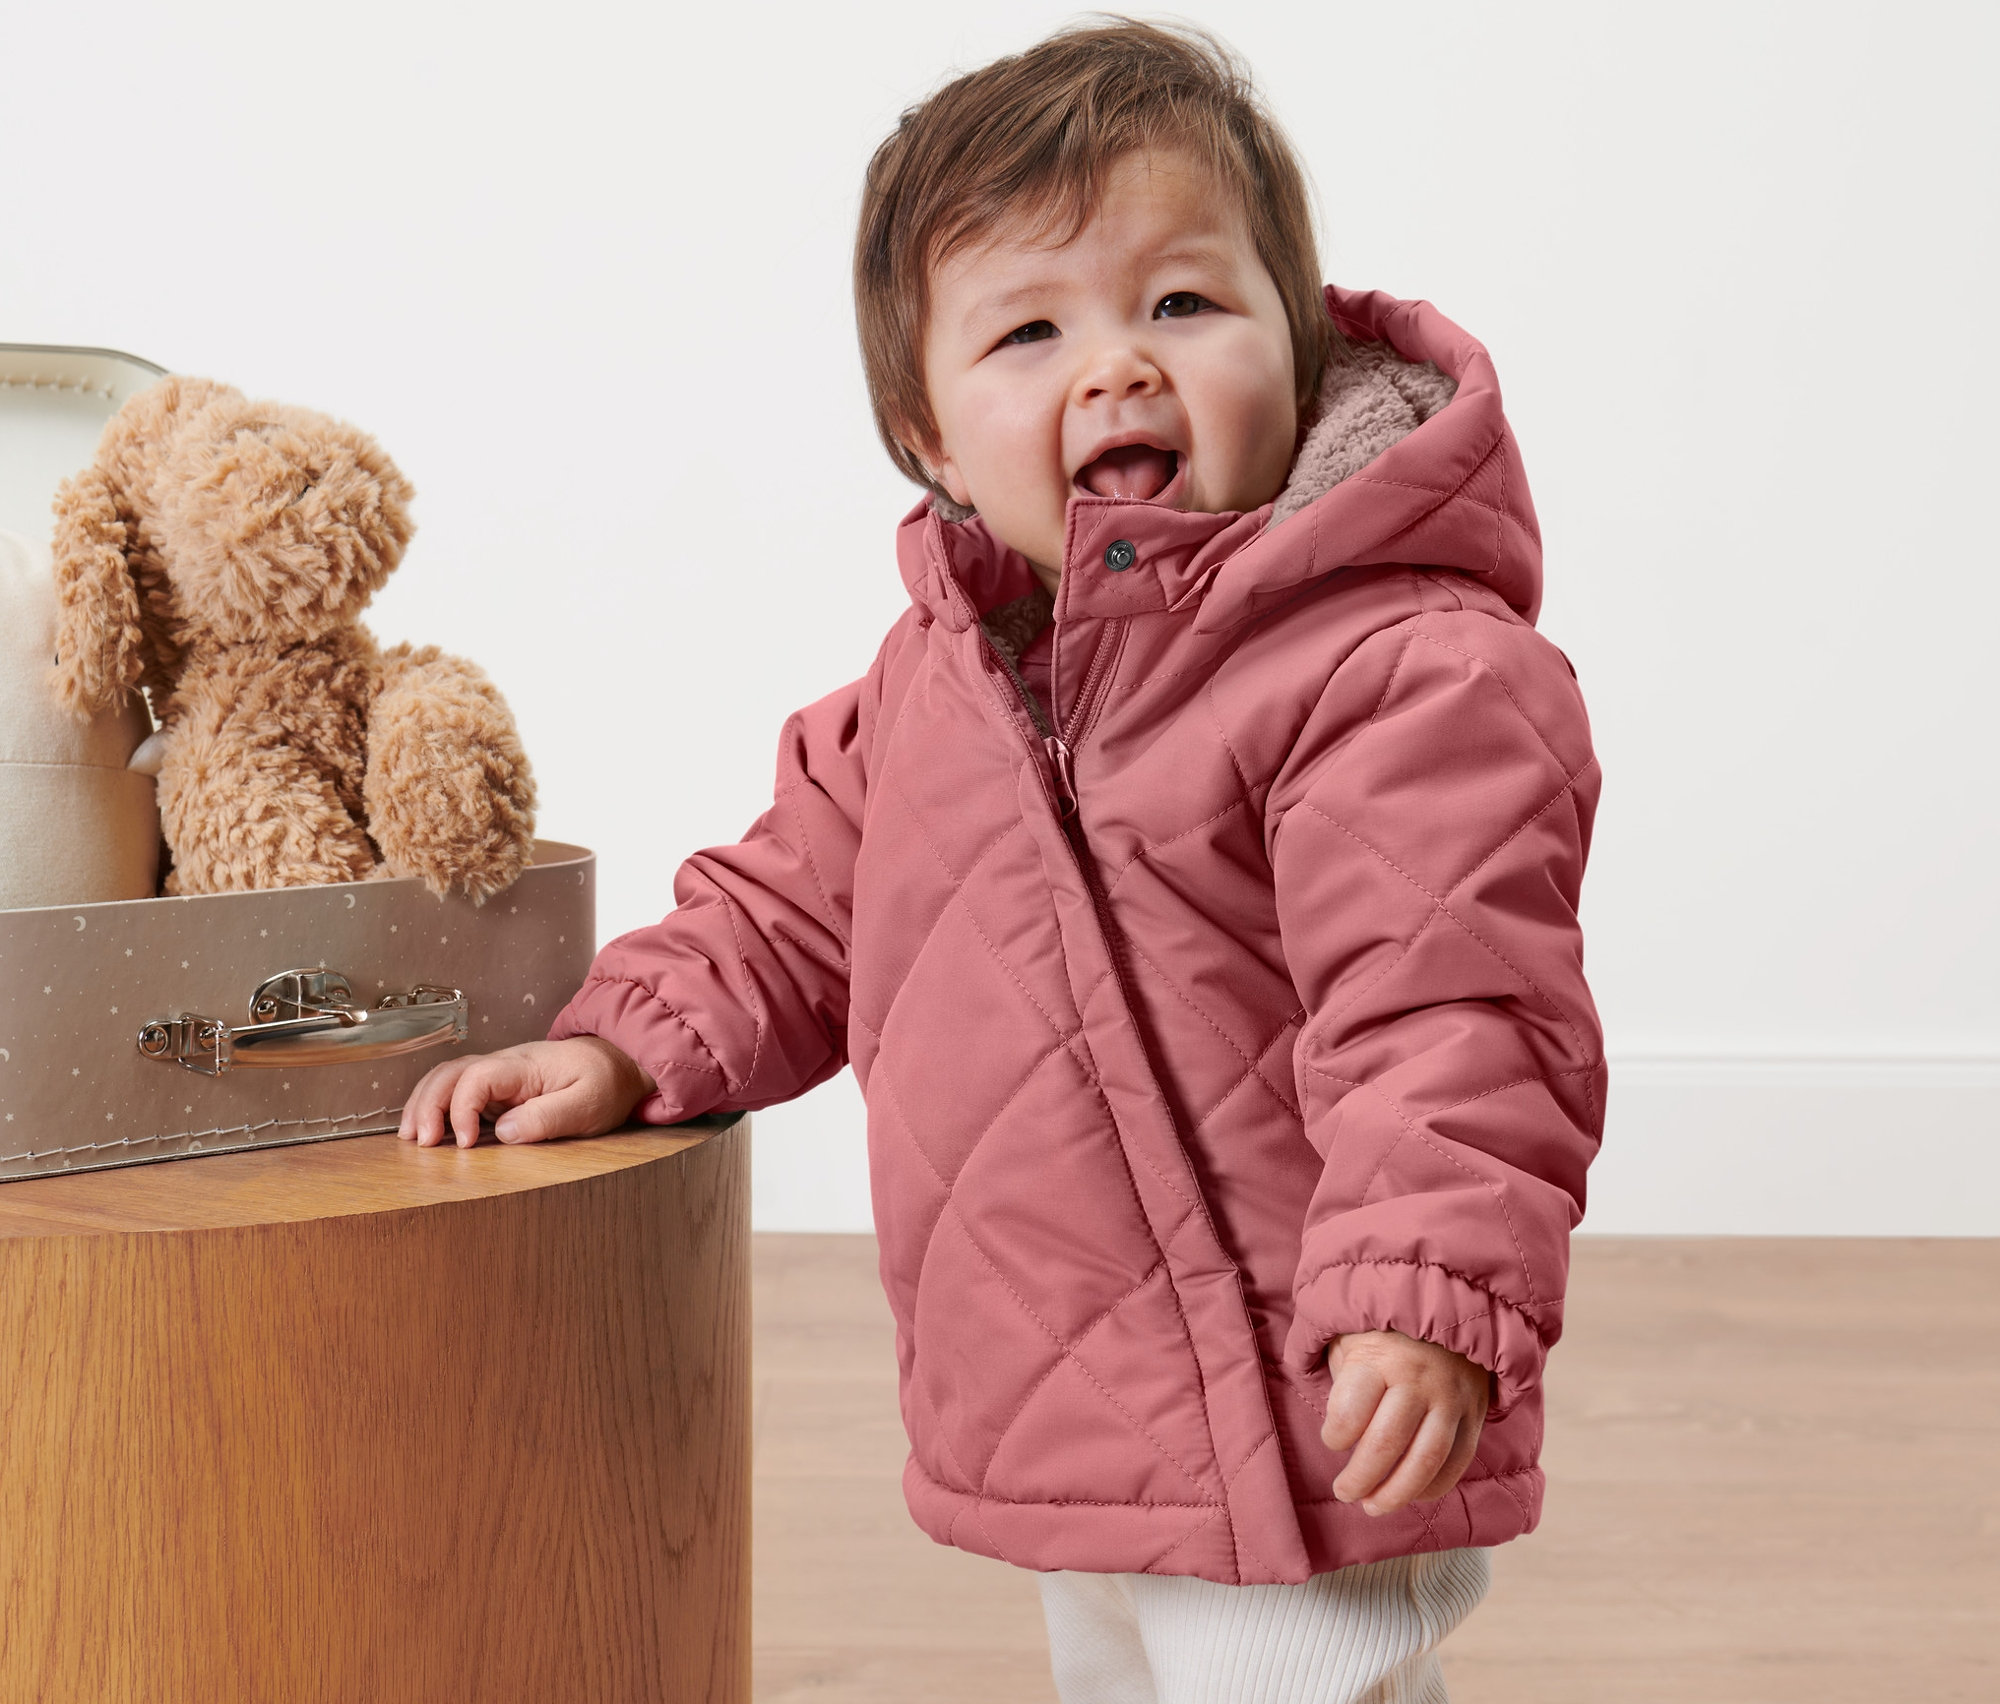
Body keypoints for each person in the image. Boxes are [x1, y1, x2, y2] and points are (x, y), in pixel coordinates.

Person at [400, 19, 1604, 1702]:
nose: (1116, 366)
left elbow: (1453, 1014)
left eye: (1184, 303)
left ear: (1299, 337)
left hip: (1311, 1413)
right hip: (1073, 1400)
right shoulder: (942, 684)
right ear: (932, 434)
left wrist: (1422, 1288)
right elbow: (786, 903)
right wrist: (622, 1038)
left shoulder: (1398, 670)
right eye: (1031, 329)